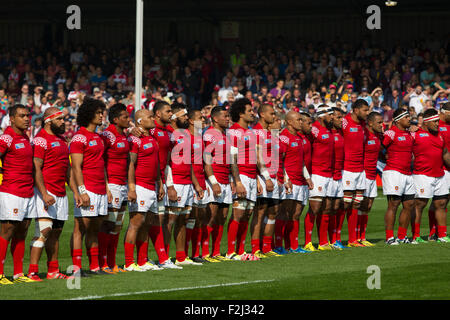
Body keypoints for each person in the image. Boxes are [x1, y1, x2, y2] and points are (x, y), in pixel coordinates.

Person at [27, 107, 74, 281]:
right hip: (44, 193)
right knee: (43, 231)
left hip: (61, 194)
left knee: (55, 233)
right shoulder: (40, 141)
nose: (64, 122)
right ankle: (32, 272)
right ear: (48, 121)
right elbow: (36, 168)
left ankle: (53, 270)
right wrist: (44, 193)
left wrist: (75, 191)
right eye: (60, 119)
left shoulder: (62, 140)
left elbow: (67, 169)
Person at [69, 97, 111, 276]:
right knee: (80, 229)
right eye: (98, 113)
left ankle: (94, 266)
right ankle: (76, 269)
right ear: (88, 114)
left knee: (95, 228)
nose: (102, 115)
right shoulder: (79, 137)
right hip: (88, 189)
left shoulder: (99, 137)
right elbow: (76, 167)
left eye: (102, 112)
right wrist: (82, 191)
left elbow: (101, 165)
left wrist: (107, 189)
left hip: (101, 189)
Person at [124, 109, 165, 271]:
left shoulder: (151, 136)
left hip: (152, 186)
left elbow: (155, 163)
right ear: (140, 121)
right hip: (140, 186)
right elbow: (131, 164)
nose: (153, 118)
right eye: (149, 117)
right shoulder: (135, 139)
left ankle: (142, 260)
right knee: (136, 223)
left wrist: (160, 183)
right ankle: (129, 262)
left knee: (147, 224)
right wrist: (132, 188)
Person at [0, 104, 36, 284]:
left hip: (28, 192)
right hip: (12, 191)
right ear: (12, 119)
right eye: (22, 116)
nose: (26, 119)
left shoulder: (24, 136)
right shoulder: (7, 137)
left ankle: (18, 274)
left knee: (22, 232)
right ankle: (0, 274)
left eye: (28, 115)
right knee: (7, 231)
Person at [226, 98, 265, 260]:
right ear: (240, 113)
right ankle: (230, 252)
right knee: (238, 214)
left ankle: (241, 250)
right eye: (249, 110)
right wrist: (237, 181)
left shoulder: (251, 132)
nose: (252, 113)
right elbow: (232, 159)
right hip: (240, 176)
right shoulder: (233, 131)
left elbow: (254, 158)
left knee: (247, 214)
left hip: (250, 176)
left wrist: (256, 179)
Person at [165, 104, 203, 266]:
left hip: (188, 182)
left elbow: (188, 163)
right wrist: (170, 185)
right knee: (170, 219)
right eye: (183, 115)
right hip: (176, 182)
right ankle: (164, 257)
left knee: (183, 219)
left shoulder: (184, 135)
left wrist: (196, 185)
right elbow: (165, 162)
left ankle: (181, 257)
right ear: (173, 117)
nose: (186, 118)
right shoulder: (168, 135)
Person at [98, 103, 131, 273]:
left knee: (117, 225)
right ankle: (102, 263)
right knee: (108, 225)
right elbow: (100, 161)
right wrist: (106, 187)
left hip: (123, 185)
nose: (128, 119)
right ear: (116, 119)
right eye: (125, 117)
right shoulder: (107, 136)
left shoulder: (124, 135)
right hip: (112, 185)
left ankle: (112, 263)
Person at [410, 108, 450, 243]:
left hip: (439, 174)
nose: (437, 124)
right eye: (435, 122)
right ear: (426, 123)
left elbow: (445, 153)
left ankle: (442, 235)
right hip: (422, 175)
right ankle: (416, 236)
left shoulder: (440, 135)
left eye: (438, 121)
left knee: (441, 203)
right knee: (420, 204)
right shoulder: (415, 134)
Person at [278, 111, 313, 253]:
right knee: (284, 213)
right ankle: (280, 245)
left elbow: (301, 161)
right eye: (298, 120)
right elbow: (280, 161)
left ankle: (293, 245)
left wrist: (308, 177)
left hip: (300, 181)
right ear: (290, 122)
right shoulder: (284, 137)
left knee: (296, 214)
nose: (301, 122)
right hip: (290, 181)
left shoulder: (299, 138)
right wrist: (286, 179)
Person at [202, 106, 233, 262]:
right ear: (215, 118)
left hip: (226, 181)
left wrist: (233, 181)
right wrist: (213, 182)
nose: (228, 119)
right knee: (211, 217)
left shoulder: (225, 135)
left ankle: (216, 252)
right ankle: (205, 252)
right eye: (225, 116)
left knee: (222, 218)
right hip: (214, 181)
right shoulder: (209, 135)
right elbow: (207, 161)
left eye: (228, 116)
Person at [382, 108, 415, 245]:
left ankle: (402, 236)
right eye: (407, 117)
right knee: (393, 204)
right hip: (394, 172)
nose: (409, 119)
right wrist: (386, 157)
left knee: (409, 204)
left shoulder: (409, 134)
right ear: (398, 120)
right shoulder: (391, 133)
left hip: (408, 173)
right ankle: (390, 237)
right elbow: (380, 147)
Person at [252, 104, 282, 257]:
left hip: (274, 178)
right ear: (262, 115)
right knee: (260, 212)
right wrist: (262, 178)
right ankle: (256, 248)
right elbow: (257, 158)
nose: (274, 116)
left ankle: (267, 247)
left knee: (273, 211)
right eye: (271, 113)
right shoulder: (256, 132)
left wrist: (282, 177)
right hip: (263, 178)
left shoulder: (271, 133)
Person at [341, 99, 370, 247]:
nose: (367, 113)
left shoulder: (363, 125)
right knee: (345, 203)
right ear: (356, 110)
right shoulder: (344, 122)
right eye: (365, 110)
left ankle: (353, 239)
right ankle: (335, 239)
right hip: (347, 169)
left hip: (360, 169)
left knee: (357, 203)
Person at [308, 105, 335, 250]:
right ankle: (307, 242)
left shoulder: (329, 130)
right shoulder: (314, 129)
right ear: (321, 115)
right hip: (317, 173)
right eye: (330, 114)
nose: (332, 117)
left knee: (327, 208)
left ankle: (323, 242)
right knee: (315, 208)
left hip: (328, 174)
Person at [185, 109, 208, 263]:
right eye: (200, 118)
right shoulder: (186, 137)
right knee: (189, 219)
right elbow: (188, 163)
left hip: (202, 182)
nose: (204, 119)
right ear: (192, 121)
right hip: (191, 183)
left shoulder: (200, 138)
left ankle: (195, 253)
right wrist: (196, 184)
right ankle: (184, 254)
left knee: (199, 219)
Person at [358, 112, 383, 246]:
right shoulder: (363, 135)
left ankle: (362, 237)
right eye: (379, 122)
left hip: (373, 175)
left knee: (368, 206)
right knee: (360, 206)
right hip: (363, 174)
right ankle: (355, 237)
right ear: (371, 123)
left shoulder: (379, 135)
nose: (381, 125)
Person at [428, 102, 450, 240]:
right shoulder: (435, 126)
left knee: (444, 201)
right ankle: (434, 232)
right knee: (440, 201)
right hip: (443, 169)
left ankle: (438, 232)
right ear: (444, 112)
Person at [328, 107, 347, 249]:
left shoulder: (342, 132)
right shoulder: (326, 133)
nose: (342, 120)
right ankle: (326, 240)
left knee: (340, 206)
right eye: (339, 117)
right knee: (326, 208)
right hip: (327, 175)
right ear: (331, 118)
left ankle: (336, 238)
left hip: (341, 174)